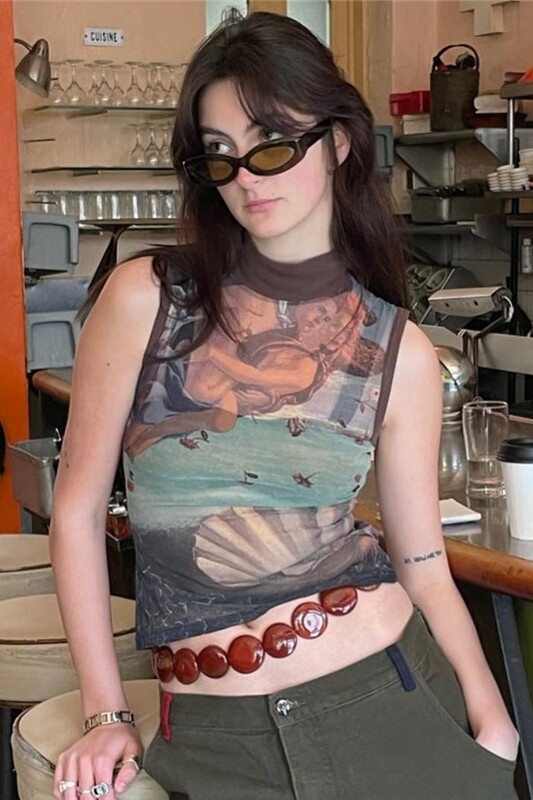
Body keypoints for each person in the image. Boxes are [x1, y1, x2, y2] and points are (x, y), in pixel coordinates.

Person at [51, 10, 519, 800]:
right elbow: (76, 511)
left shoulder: (398, 350)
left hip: (393, 700)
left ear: (337, 142)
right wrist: (106, 713)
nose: (246, 176)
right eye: (219, 154)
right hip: (216, 736)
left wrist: (491, 722)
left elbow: (422, 564)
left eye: (271, 142)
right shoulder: (148, 297)